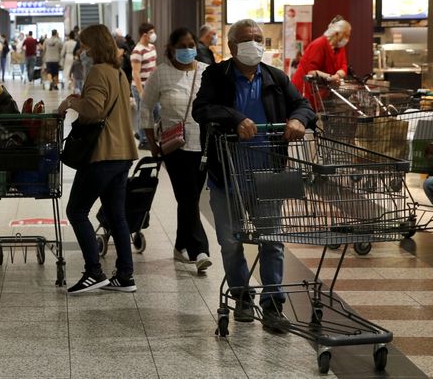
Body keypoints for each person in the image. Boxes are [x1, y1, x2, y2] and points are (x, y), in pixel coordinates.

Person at [192, 18, 315, 333]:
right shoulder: (216, 76)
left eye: (259, 38)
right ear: (233, 46)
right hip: (228, 174)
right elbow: (202, 110)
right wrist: (235, 118)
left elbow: (303, 105)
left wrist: (299, 119)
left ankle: (273, 306)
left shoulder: (275, 77)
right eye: (247, 39)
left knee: (271, 242)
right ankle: (242, 297)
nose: (255, 44)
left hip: (269, 174)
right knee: (230, 242)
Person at [57, 25, 138, 294]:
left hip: (102, 155)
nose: (83, 51)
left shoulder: (97, 71)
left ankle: (94, 272)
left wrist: (71, 102)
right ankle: (125, 276)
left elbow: (93, 111)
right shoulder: (118, 72)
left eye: (85, 46)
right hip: (123, 153)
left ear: (94, 47)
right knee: (117, 216)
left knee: (76, 211)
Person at [141, 27, 212, 274]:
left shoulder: (205, 72)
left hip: (203, 146)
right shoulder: (161, 74)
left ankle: (181, 244)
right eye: (181, 46)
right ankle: (200, 249)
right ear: (171, 49)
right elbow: (145, 107)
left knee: (188, 197)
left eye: (190, 44)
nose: (187, 50)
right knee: (188, 196)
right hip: (175, 147)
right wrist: (150, 141)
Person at [291, 17, 351, 100]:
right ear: (336, 34)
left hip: (321, 92)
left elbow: (343, 66)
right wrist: (330, 77)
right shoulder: (319, 45)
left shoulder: (339, 47)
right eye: (346, 35)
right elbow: (310, 71)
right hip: (304, 90)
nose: (347, 39)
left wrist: (338, 75)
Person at [131, 23, 159, 149]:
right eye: (151, 32)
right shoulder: (137, 51)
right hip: (141, 86)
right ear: (144, 35)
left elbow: (153, 66)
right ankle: (143, 140)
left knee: (157, 111)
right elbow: (135, 73)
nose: (154, 35)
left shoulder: (152, 47)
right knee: (144, 113)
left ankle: (140, 132)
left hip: (152, 86)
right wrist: (140, 91)